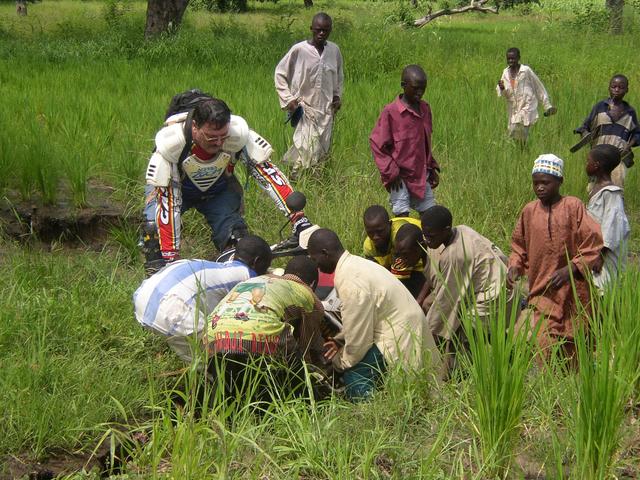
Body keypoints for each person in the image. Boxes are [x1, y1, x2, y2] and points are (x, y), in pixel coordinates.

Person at [142, 96, 311, 275]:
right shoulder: (171, 145)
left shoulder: (238, 134)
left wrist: (298, 219)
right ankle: (156, 278)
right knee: (154, 233)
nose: (219, 142)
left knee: (238, 241)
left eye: (224, 136)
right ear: (194, 127)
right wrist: (171, 260)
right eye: (211, 137)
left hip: (218, 191)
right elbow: (169, 202)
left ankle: (234, 275)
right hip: (176, 188)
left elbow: (268, 174)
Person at [307, 228, 441, 401]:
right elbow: (360, 321)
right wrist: (340, 341)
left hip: (397, 332)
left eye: (314, 258)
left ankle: (373, 412)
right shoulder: (355, 264)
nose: (315, 265)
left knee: (354, 376)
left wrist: (339, 363)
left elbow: (358, 339)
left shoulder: (350, 280)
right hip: (402, 324)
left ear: (324, 253)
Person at [507, 154, 603, 361]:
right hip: (542, 288)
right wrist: (515, 266)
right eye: (536, 183)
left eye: (545, 182)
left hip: (573, 290)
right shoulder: (529, 211)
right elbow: (518, 245)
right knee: (544, 339)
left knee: (576, 336)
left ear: (559, 181)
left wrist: (571, 268)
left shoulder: (573, 206)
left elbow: (592, 242)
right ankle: (548, 385)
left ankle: (575, 381)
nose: (540, 187)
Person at [203, 256, 326, 401]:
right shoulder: (307, 294)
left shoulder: (254, 280)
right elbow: (308, 346)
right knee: (297, 370)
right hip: (258, 335)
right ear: (312, 284)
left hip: (213, 336)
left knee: (229, 389)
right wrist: (316, 372)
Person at [133, 235, 272, 363]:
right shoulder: (246, 276)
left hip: (143, 300)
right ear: (256, 262)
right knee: (212, 362)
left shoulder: (211, 266)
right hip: (173, 310)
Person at [411, 206, 514, 375]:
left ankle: (459, 375)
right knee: (470, 327)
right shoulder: (463, 230)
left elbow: (447, 302)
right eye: (425, 234)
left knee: (459, 330)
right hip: (503, 288)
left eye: (431, 235)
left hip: (495, 298)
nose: (427, 240)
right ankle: (508, 353)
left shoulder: (454, 256)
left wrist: (427, 335)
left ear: (445, 230)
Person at [274, 12, 344, 177]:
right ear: (311, 29)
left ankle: (315, 181)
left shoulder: (334, 51)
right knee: (304, 146)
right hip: (305, 108)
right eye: (318, 30)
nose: (321, 34)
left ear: (330, 31)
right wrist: (289, 99)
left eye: (325, 30)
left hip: (326, 111)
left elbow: (339, 77)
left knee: (321, 149)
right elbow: (280, 73)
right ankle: (295, 178)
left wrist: (337, 97)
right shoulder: (299, 50)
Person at [370, 65, 439, 217]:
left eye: (423, 88)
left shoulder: (425, 109)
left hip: (421, 174)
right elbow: (377, 144)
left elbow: (425, 141)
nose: (419, 92)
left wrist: (431, 166)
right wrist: (390, 172)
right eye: (415, 88)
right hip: (399, 177)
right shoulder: (391, 112)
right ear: (403, 86)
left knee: (431, 217)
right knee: (402, 220)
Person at [574, 74, 640, 189]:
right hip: (598, 157)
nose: (617, 90)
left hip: (618, 157)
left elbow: (637, 134)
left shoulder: (630, 112)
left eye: (621, 87)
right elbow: (585, 126)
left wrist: (628, 146)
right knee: (593, 189)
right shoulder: (599, 107)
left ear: (627, 90)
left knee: (616, 188)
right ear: (609, 87)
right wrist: (586, 135)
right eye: (614, 86)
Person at [585, 145, 630, 290]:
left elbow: (612, 226)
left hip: (606, 253)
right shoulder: (595, 189)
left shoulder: (611, 194)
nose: (586, 165)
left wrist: (601, 256)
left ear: (596, 165)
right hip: (595, 248)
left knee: (604, 286)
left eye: (588, 161)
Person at [497, 47, 556, 144]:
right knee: (514, 134)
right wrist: (502, 88)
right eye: (509, 59)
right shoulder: (505, 73)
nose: (511, 61)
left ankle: (522, 150)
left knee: (518, 129)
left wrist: (547, 106)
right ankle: (522, 152)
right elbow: (505, 94)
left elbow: (539, 87)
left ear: (518, 58)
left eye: (513, 58)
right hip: (514, 108)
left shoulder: (526, 71)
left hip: (527, 106)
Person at [362, 205, 425, 297]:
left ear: (390, 225)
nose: (375, 237)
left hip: (420, 263)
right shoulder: (368, 246)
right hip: (401, 263)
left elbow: (401, 280)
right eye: (370, 233)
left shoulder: (400, 237)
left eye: (380, 231)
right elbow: (376, 274)